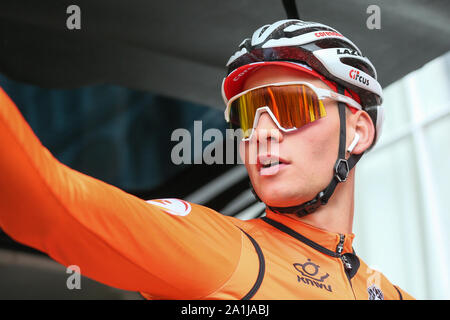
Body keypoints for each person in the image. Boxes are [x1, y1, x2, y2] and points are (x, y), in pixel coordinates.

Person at [0, 19, 413, 300]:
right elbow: (50, 204)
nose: (262, 133)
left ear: (358, 130)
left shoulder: (390, 294)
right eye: (248, 115)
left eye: (291, 107)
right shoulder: (224, 250)